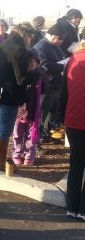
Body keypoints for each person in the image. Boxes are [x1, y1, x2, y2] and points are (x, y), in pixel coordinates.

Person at [0, 23, 39, 171]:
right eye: (30, 37)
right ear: (26, 35)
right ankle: (0, 163)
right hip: (9, 95)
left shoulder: (4, 44)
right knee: (6, 129)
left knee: (1, 128)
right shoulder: (19, 50)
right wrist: (39, 73)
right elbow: (22, 78)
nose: (31, 41)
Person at [61, 40, 85, 222]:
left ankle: (71, 207)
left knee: (75, 165)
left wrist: (63, 118)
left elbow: (64, 92)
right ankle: (83, 209)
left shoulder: (73, 59)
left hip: (73, 120)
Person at [33, 23, 67, 142]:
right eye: (59, 38)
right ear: (51, 35)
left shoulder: (55, 46)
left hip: (56, 84)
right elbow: (43, 65)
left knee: (52, 111)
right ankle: (36, 138)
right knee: (42, 112)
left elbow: (61, 58)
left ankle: (47, 133)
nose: (61, 41)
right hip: (47, 85)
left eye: (63, 39)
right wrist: (61, 67)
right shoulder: (40, 46)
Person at [12, 49, 42, 166]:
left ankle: (29, 154)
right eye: (29, 61)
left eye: (34, 62)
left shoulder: (39, 76)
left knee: (31, 134)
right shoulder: (20, 76)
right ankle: (17, 153)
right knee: (17, 133)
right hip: (19, 110)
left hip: (33, 110)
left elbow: (45, 89)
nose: (31, 64)